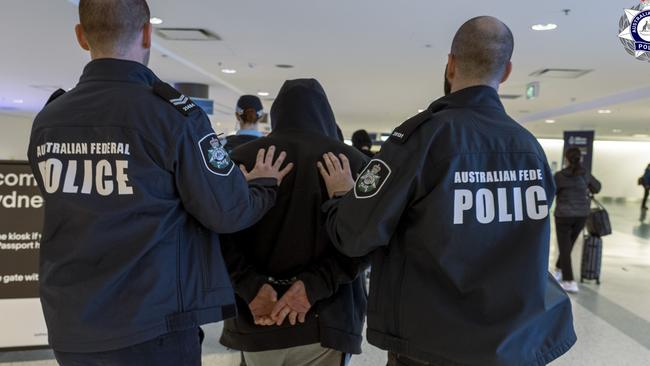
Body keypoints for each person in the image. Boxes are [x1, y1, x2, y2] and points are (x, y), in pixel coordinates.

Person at [26, 1, 292, 365]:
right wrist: (263, 186)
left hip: (71, 324)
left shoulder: (49, 119)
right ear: (148, 33)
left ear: (81, 37)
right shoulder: (173, 116)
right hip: (151, 323)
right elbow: (227, 212)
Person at [316, 16, 576, 366]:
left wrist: (341, 197)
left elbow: (354, 235)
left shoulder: (421, 138)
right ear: (508, 70)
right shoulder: (529, 148)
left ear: (450, 64)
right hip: (515, 346)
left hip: (431, 346)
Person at [219, 79, 369, 366]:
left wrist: (251, 287)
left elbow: (215, 236)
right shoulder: (352, 163)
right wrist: (312, 287)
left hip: (256, 320)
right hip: (326, 322)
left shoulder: (241, 160)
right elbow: (365, 244)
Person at [553, 148, 602, 293]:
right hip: (581, 215)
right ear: (580, 159)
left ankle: (569, 281)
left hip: (563, 215)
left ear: (566, 159)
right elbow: (598, 187)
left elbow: (552, 191)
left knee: (565, 247)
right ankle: (559, 269)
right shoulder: (585, 174)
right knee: (568, 245)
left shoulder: (560, 176)